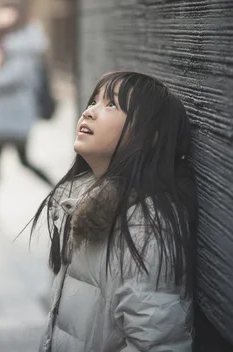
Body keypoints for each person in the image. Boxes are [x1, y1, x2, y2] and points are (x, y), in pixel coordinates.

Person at [31, 71, 197, 351]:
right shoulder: (77, 202)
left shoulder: (144, 226)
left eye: (111, 105)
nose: (89, 112)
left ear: (150, 137)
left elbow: (156, 343)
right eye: (93, 101)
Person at [0, 0, 54, 224]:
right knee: (3, 161)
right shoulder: (16, 48)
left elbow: (11, 78)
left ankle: (60, 192)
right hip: (8, 116)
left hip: (15, 116)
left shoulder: (23, 50)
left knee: (22, 160)